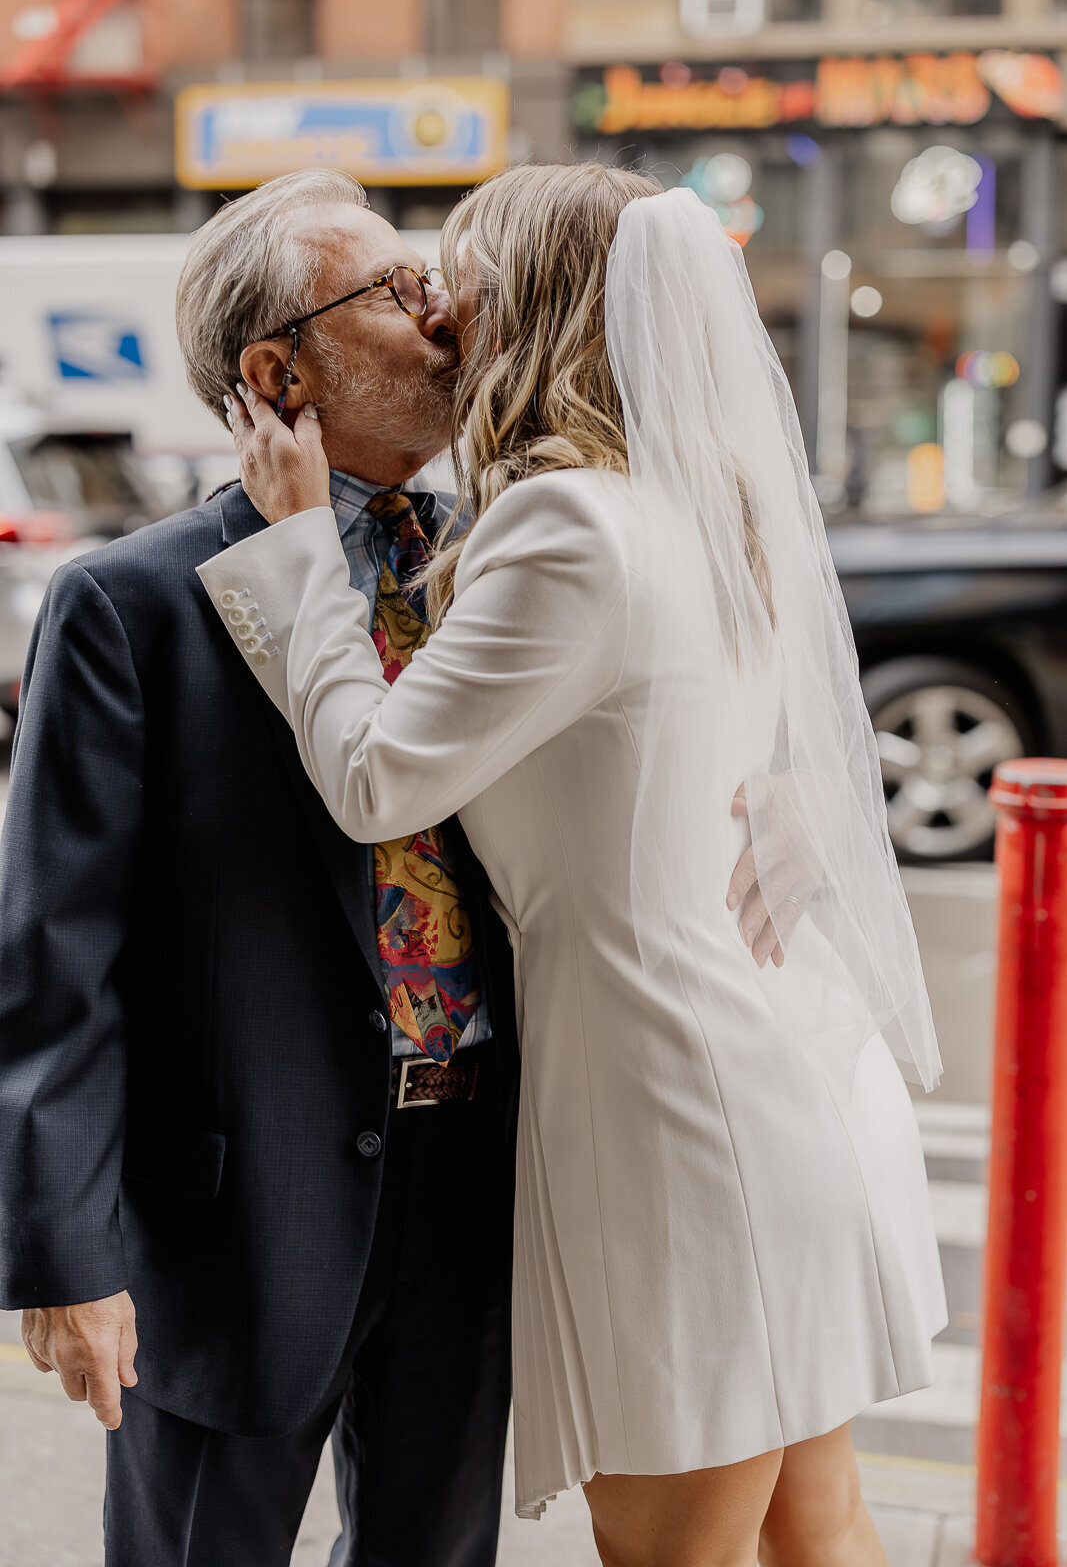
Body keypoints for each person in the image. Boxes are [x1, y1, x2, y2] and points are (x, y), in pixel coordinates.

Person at [206, 162, 948, 1567]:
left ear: (531, 300)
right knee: (818, 1523)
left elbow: (375, 779)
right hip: (774, 1069)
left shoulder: (563, 523)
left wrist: (303, 546)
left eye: (453, 274)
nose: (434, 306)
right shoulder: (686, 501)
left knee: (675, 1549)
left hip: (679, 1111)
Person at [0, 169, 523, 1567]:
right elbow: (61, 959)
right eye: (398, 294)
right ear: (279, 370)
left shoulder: (503, 571)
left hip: (472, 1178)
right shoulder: (132, 603)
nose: (444, 319)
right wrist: (67, 1255)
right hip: (232, 1213)